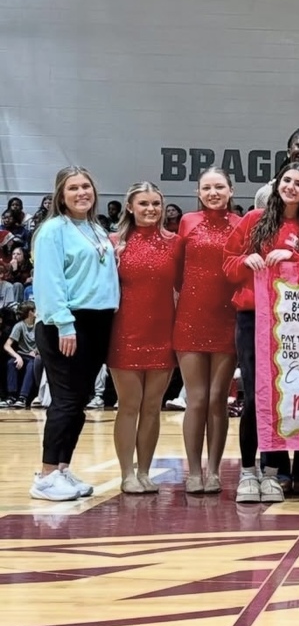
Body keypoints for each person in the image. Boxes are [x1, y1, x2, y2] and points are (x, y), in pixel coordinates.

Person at [224, 161, 299, 504]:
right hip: (253, 317)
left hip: (297, 322)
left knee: (291, 396)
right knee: (254, 396)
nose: (291, 186)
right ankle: (251, 470)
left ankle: (275, 474)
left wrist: (293, 256)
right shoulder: (254, 219)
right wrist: (244, 262)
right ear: (277, 183)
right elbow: (229, 262)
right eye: (287, 180)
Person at [29, 166, 119, 501]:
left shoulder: (95, 228)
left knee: (79, 401)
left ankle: (63, 468)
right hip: (66, 324)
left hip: (98, 322)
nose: (82, 192)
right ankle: (46, 474)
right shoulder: (53, 230)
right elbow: (50, 281)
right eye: (73, 188)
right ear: (61, 196)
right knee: (66, 401)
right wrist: (64, 323)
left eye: (86, 186)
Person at [107, 182, 183, 494]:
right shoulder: (114, 243)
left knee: (153, 406)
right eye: (144, 204)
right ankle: (127, 473)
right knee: (129, 405)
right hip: (125, 332)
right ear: (130, 207)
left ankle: (145, 471)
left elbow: (182, 288)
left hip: (162, 332)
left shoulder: (176, 243)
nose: (151, 209)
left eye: (155, 204)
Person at [174, 167, 241, 494]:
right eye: (206, 188)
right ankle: (193, 471)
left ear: (231, 190)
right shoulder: (187, 222)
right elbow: (176, 272)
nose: (213, 192)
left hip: (226, 318)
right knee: (196, 399)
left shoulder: (241, 226)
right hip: (190, 319)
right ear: (198, 192)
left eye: (219, 187)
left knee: (218, 398)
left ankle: (214, 470)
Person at [4, 301, 39, 408]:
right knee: (11, 362)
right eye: (35, 310)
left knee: (31, 365)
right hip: (22, 355)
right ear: (30, 313)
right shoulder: (19, 326)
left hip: (34, 356)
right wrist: (17, 356)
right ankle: (11, 396)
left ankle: (22, 397)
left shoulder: (38, 325)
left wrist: (36, 351)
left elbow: (44, 342)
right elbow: (7, 345)